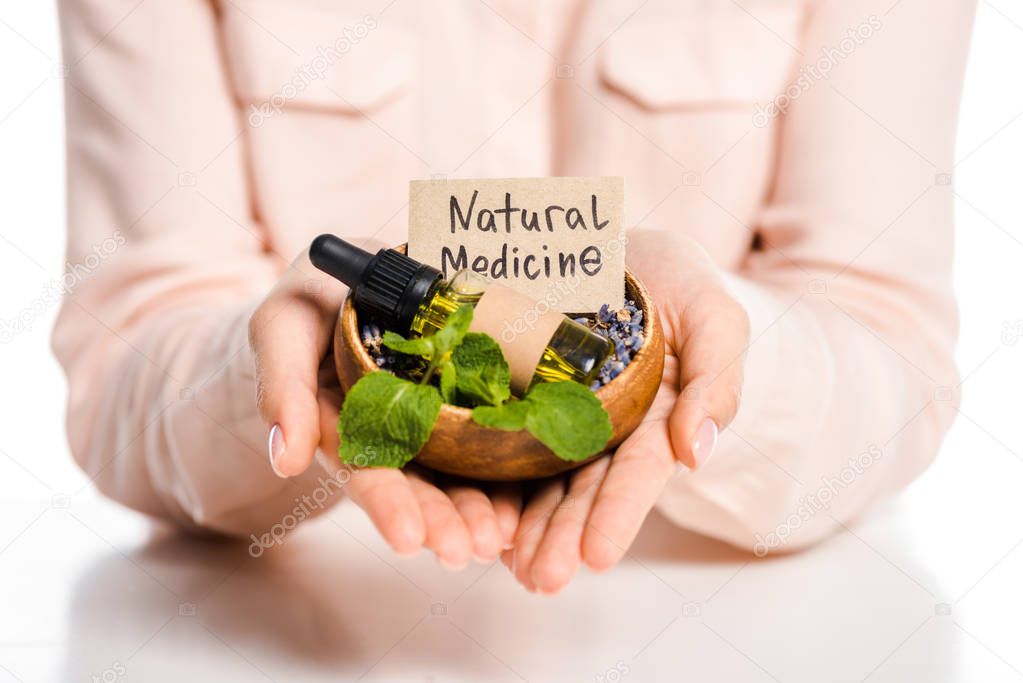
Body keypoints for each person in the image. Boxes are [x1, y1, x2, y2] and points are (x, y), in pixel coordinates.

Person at [53, 0, 974, 594]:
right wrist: (277, 367)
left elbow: (891, 352)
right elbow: (122, 363)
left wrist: (702, 364)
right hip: (323, 621)